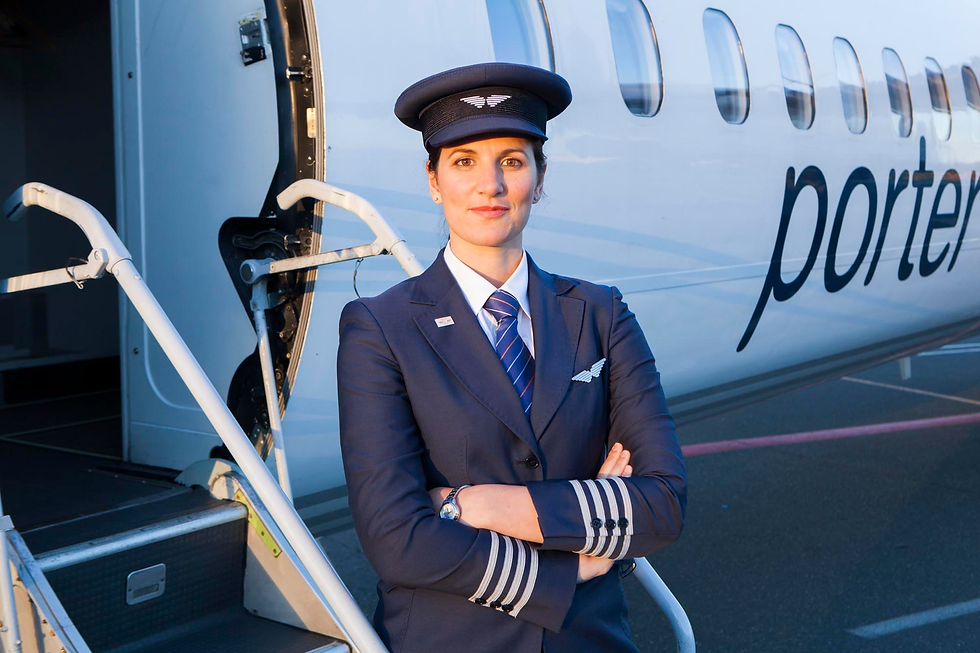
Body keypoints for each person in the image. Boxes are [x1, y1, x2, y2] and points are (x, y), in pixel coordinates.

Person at [337, 62, 686, 653]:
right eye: (464, 161)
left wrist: (474, 504)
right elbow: (396, 538)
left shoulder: (601, 314)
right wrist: (569, 566)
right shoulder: (381, 327)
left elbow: (662, 503)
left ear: (540, 176)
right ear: (433, 179)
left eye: (513, 161)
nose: (490, 185)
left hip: (590, 641)